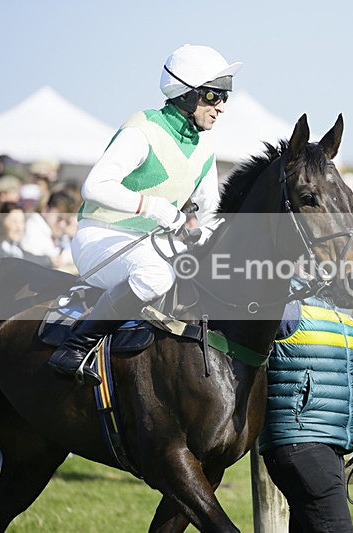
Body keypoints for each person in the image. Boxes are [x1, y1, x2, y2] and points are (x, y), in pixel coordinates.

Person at [47, 44, 241, 385]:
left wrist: (207, 238)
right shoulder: (143, 127)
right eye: (213, 96)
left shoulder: (206, 148)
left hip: (150, 246)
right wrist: (154, 208)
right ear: (186, 94)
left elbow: (211, 212)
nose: (221, 107)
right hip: (101, 237)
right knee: (156, 277)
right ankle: (75, 347)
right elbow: (94, 186)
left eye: (224, 96)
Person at [258, 276, 353, 532]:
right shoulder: (283, 300)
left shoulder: (339, 306)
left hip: (330, 443)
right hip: (300, 439)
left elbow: (344, 374)